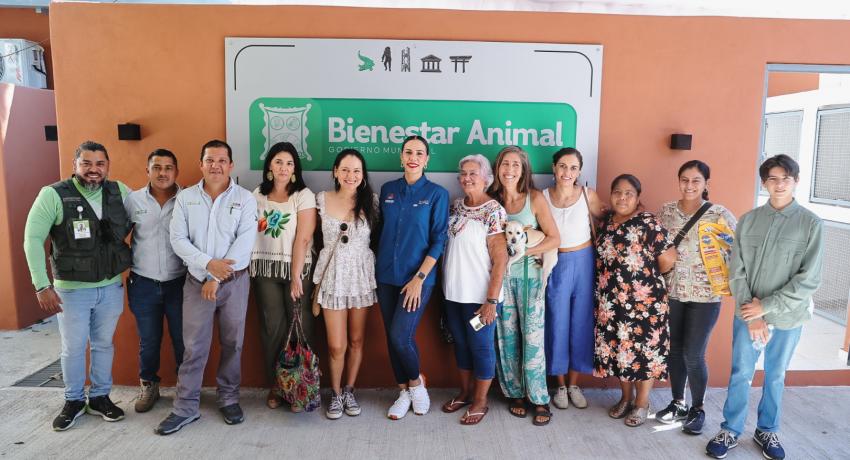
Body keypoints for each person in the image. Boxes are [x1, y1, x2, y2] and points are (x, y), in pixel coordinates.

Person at [706, 154, 823, 460]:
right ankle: (730, 429)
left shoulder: (810, 224)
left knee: (775, 374)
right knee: (741, 372)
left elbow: (809, 280)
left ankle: (766, 429)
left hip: (787, 317)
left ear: (796, 181)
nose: (779, 184)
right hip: (747, 314)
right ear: (764, 183)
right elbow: (737, 270)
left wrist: (765, 309)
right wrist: (751, 311)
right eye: (773, 179)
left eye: (786, 178)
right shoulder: (748, 221)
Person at [23, 140, 132, 431]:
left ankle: (99, 397)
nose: (93, 170)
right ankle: (73, 400)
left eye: (100, 164)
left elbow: (145, 218)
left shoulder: (119, 191)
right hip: (71, 290)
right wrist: (41, 285)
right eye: (87, 163)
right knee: (73, 348)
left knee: (103, 345)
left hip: (110, 286)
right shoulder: (54, 195)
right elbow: (32, 239)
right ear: (75, 166)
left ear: (107, 166)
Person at [154, 140, 257, 435]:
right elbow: (178, 240)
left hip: (234, 284)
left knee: (233, 343)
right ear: (201, 164)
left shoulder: (245, 198)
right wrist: (207, 266)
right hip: (196, 283)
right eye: (210, 160)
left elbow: (245, 241)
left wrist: (218, 276)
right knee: (194, 347)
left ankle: (228, 398)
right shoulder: (186, 198)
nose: (216, 165)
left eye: (222, 160)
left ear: (231, 165)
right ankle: (185, 407)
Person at [656, 160, 737, 434]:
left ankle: (697, 408)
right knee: (674, 351)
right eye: (685, 180)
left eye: (696, 181)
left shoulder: (719, 214)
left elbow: (738, 250)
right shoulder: (666, 212)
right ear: (678, 181)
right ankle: (678, 402)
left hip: (706, 295)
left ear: (706, 184)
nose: (689, 185)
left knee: (694, 353)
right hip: (673, 292)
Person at [594, 174, 677, 427]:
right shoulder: (607, 222)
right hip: (612, 303)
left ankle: (642, 403)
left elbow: (669, 258)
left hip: (645, 304)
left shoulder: (647, 223)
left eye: (629, 193)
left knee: (644, 353)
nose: (622, 197)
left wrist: (644, 282)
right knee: (621, 350)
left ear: (638, 197)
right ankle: (625, 398)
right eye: (617, 192)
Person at [376, 135, 449, 420]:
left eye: (419, 153)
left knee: (400, 335)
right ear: (401, 156)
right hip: (386, 276)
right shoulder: (387, 190)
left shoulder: (436, 194)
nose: (413, 157)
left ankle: (417, 384)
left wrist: (419, 277)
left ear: (427, 159)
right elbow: (381, 230)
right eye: (408, 152)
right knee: (391, 337)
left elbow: (438, 240)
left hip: (418, 278)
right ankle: (402, 391)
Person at [489, 146, 560, 426]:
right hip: (499, 280)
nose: (510, 169)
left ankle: (539, 397)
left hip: (530, 279)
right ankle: (515, 393)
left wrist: (525, 252)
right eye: (505, 164)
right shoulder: (492, 201)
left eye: (516, 165)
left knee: (532, 340)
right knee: (505, 339)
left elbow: (555, 238)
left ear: (523, 169)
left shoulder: (535, 198)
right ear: (497, 168)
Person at [441, 154, 508, 425]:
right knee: (461, 344)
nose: (467, 178)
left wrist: (491, 300)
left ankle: (481, 401)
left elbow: (500, 258)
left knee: (480, 347)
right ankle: (466, 392)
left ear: (486, 178)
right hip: (454, 295)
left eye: (473, 173)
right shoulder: (456, 206)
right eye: (463, 173)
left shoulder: (494, 211)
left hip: (480, 299)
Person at [249, 142, 317, 411]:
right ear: (269, 166)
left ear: (295, 169)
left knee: (302, 328)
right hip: (266, 270)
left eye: (289, 163)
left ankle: (301, 387)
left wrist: (296, 276)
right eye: (278, 162)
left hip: (297, 271)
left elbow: (303, 238)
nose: (284, 168)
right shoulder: (257, 195)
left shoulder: (303, 195)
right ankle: (277, 386)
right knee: (272, 329)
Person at [313, 149, 378, 420]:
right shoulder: (321, 199)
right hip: (333, 277)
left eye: (356, 171)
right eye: (346, 170)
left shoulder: (371, 202)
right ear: (335, 171)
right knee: (336, 345)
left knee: (356, 339)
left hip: (361, 277)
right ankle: (336, 393)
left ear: (363, 176)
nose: (351, 175)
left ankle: (349, 390)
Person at [124, 149, 186, 413]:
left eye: (168, 167)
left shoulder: (188, 200)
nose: (163, 173)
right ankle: (149, 384)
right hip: (144, 282)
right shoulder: (133, 201)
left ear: (176, 172)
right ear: (147, 171)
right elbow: (117, 236)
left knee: (183, 339)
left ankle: (186, 389)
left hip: (180, 282)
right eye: (157, 167)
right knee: (149, 340)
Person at [542, 148, 604, 410]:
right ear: (554, 168)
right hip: (556, 262)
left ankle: (575, 383)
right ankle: (560, 384)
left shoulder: (589, 196)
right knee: (556, 321)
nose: (567, 173)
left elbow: (606, 223)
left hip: (584, 261)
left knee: (581, 320)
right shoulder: (542, 197)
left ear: (579, 171)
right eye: (563, 166)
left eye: (573, 168)